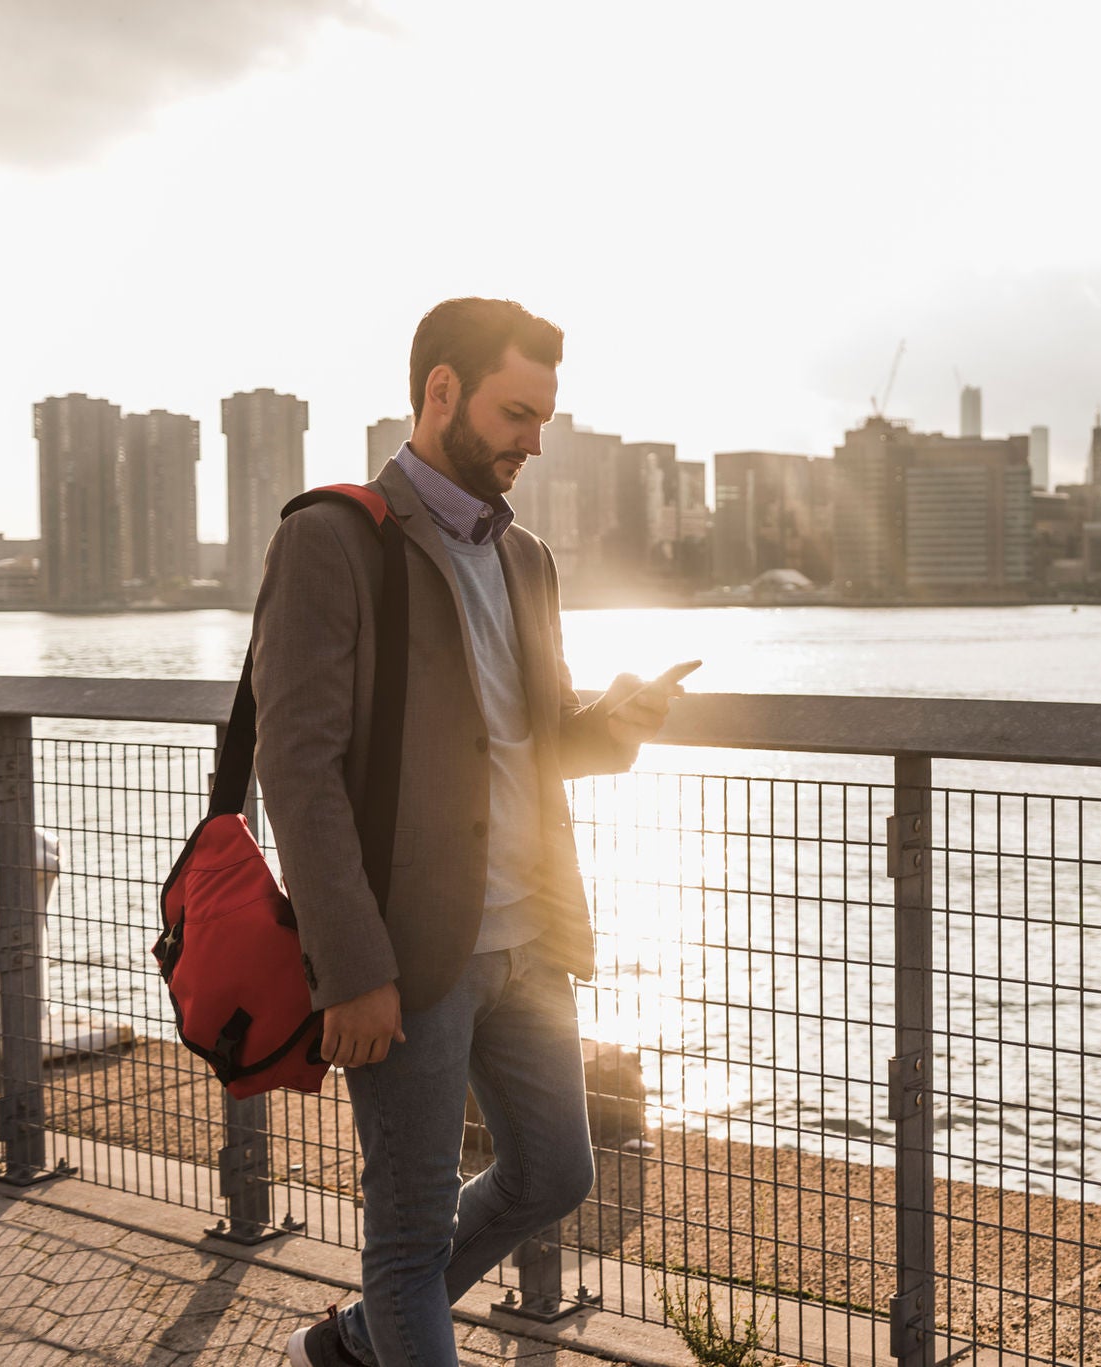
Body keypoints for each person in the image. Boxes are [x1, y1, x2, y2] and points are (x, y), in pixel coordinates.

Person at [267, 298, 679, 1367]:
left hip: (531, 939)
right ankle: (383, 1324)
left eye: (543, 417)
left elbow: (532, 742)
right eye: (514, 412)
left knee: (556, 1174)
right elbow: (297, 768)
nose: (533, 440)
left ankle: (365, 1337)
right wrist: (351, 966)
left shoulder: (526, 558)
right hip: (407, 958)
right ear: (439, 390)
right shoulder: (332, 538)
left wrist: (615, 724)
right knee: (407, 1236)